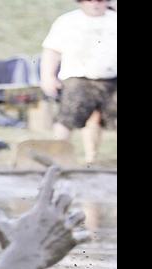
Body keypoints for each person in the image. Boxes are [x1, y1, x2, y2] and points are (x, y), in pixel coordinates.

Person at [41, 0, 116, 166]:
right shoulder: (67, 21)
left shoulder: (114, 19)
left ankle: (92, 158)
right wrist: (48, 77)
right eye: (90, 0)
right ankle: (56, 158)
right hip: (78, 78)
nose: (95, 4)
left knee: (99, 120)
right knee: (67, 119)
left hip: (111, 78)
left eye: (101, 0)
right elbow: (51, 51)